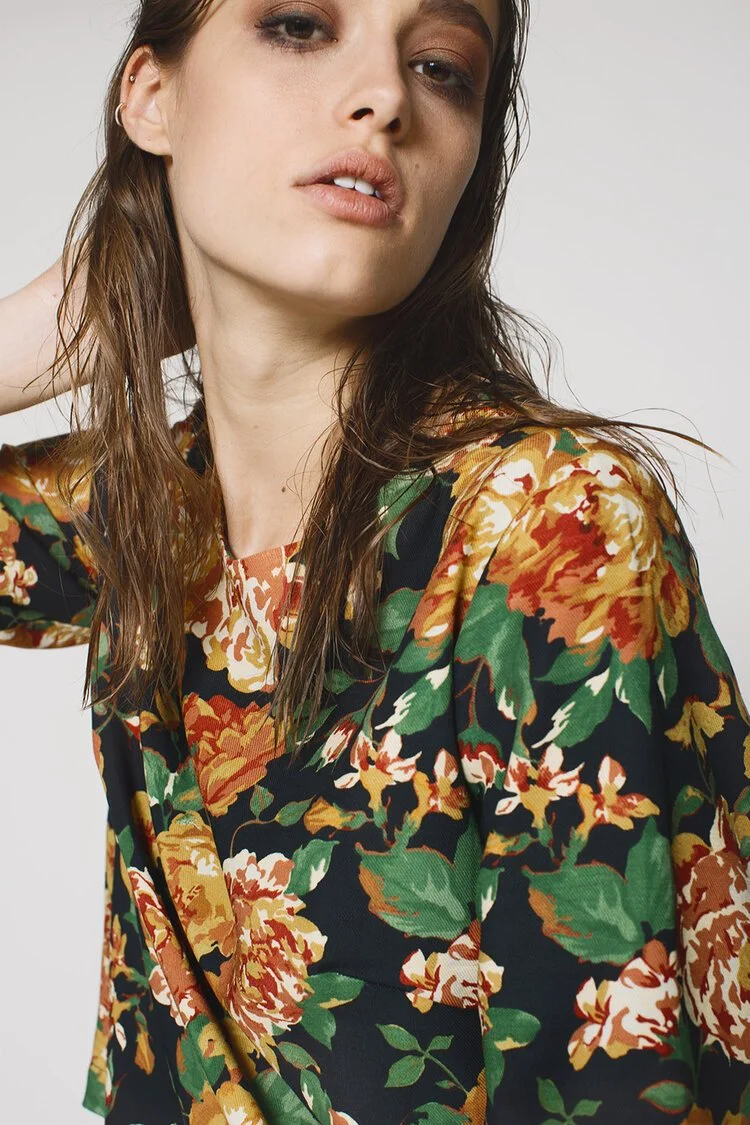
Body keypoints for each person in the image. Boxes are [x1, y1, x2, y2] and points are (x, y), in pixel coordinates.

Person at [1, 1, 748, 1122]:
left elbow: (613, 1081)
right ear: (151, 96)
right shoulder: (140, 509)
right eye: (301, 26)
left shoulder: (543, 519)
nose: (387, 97)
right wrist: (58, 322)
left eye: (441, 67)